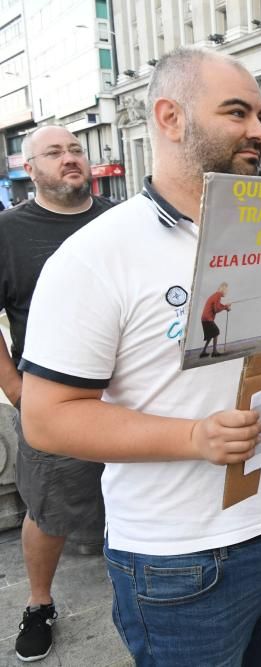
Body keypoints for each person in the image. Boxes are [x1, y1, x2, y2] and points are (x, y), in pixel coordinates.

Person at [18, 47, 261, 665]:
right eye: (237, 112)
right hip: (181, 562)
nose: (259, 130)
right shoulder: (96, 255)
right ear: (170, 117)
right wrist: (193, 436)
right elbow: (48, 416)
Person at [0, 125, 115, 663]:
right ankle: (39, 602)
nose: (70, 158)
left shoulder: (122, 218)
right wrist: (16, 388)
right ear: (29, 167)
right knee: (48, 509)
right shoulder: (9, 232)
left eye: (75, 149)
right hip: (56, 399)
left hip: (131, 396)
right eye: (54, 152)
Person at [200, 282, 231, 357]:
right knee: (216, 332)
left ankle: (203, 352)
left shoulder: (216, 295)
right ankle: (214, 352)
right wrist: (225, 307)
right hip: (207, 318)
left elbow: (218, 305)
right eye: (226, 290)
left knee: (211, 335)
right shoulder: (218, 296)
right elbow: (216, 309)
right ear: (224, 289)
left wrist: (225, 306)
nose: (227, 292)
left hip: (205, 318)